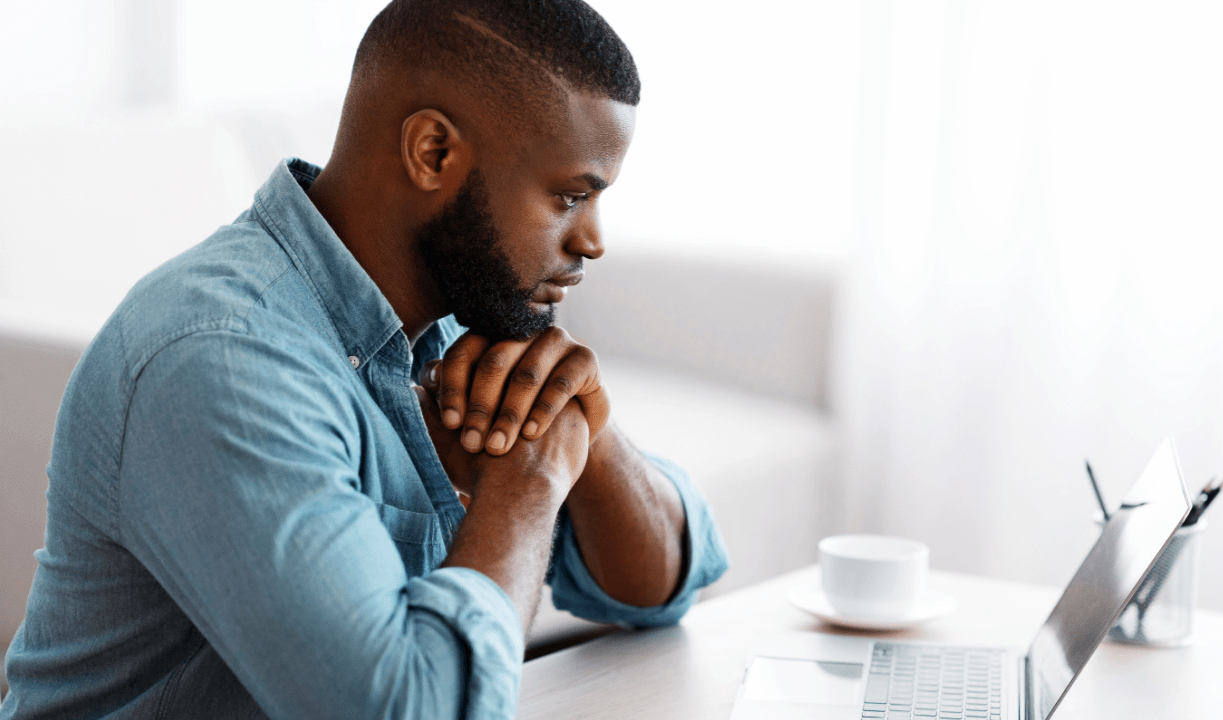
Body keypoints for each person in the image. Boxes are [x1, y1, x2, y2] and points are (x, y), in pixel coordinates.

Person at [0, 1, 727, 717]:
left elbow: (659, 586)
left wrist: (586, 435)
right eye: (570, 196)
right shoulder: (223, 358)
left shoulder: (452, 322)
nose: (593, 240)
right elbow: (401, 709)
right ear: (433, 153)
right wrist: (528, 488)